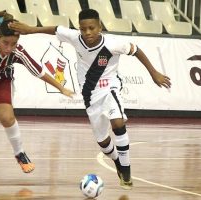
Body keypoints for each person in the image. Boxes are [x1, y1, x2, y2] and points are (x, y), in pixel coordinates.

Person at [9, 9, 171, 188]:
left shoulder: (113, 44)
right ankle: (117, 162)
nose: (87, 32)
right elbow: (55, 29)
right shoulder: (74, 37)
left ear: (100, 27)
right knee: (103, 143)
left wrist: (154, 73)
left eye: (92, 28)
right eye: (83, 29)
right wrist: (30, 29)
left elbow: (136, 51)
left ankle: (126, 172)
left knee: (118, 123)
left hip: (110, 87)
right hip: (90, 95)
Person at [0, 17, 74, 173]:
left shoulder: (17, 51)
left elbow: (38, 71)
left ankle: (20, 153)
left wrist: (61, 88)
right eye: (5, 43)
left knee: (7, 116)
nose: (9, 48)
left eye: (13, 44)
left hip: (1, 79)